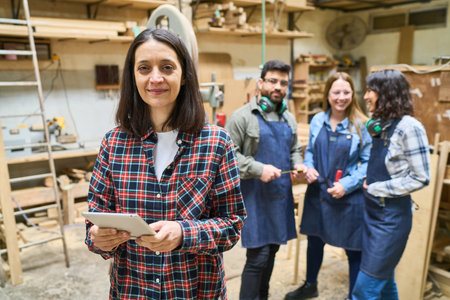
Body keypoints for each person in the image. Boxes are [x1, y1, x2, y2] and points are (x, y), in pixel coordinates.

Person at [84, 28, 246, 300]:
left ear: (184, 77)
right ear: (133, 76)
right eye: (144, 68)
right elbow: (95, 220)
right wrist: (98, 239)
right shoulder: (114, 144)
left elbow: (232, 225)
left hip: (195, 291)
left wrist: (185, 233)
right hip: (133, 290)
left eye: (167, 67)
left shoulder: (216, 143)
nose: (155, 78)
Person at [285, 72, 372, 300]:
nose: (341, 97)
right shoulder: (317, 120)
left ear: (353, 95)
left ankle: (354, 296)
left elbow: (368, 162)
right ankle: (311, 285)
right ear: (328, 94)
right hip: (319, 192)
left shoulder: (361, 125)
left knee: (354, 249)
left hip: (349, 196)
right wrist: (309, 167)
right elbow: (311, 151)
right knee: (314, 241)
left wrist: (347, 184)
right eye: (336, 92)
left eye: (346, 92)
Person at [225, 59, 306, 300]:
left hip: (280, 197)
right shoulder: (242, 117)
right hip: (254, 197)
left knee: (272, 252)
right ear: (261, 83)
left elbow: (294, 148)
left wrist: (297, 163)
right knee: (258, 258)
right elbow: (228, 158)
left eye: (284, 83)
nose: (278, 87)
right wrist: (258, 168)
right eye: (272, 81)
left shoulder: (288, 119)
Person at [352, 69, 430, 300]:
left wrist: (377, 188)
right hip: (372, 212)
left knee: (364, 290)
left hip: (391, 220)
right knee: (384, 283)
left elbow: (421, 177)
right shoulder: (380, 124)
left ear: (387, 93)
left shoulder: (410, 127)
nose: (365, 96)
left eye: (370, 91)